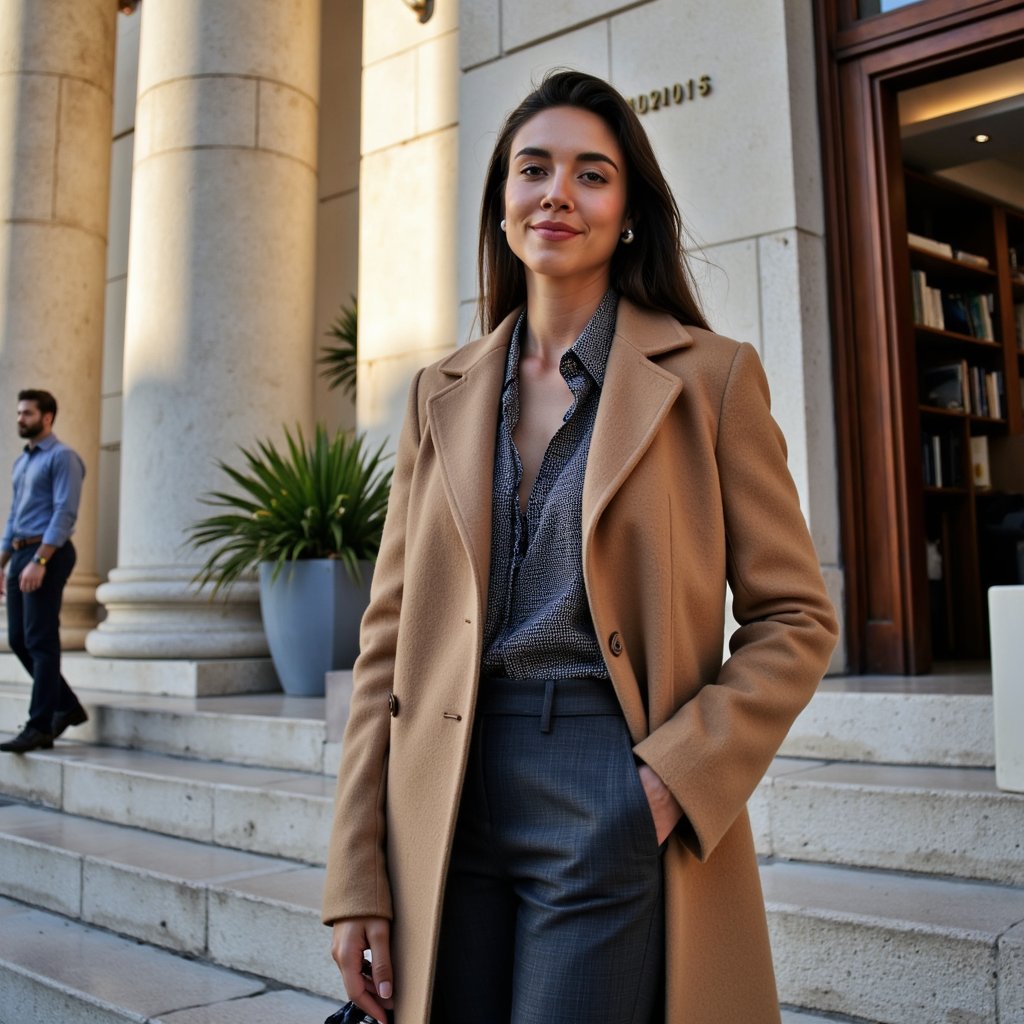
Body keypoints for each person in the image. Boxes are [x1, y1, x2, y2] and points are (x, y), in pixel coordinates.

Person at [322, 70, 838, 1024]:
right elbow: (386, 641)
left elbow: (796, 617)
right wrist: (356, 870)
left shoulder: (710, 380)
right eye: (533, 168)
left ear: (628, 212)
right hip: (440, 793)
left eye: (591, 174)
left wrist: (668, 781)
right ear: (503, 203)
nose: (558, 191)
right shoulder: (439, 392)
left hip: (606, 776)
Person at [0, 389, 88, 754]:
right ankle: (66, 706)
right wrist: (2, 560)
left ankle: (39, 725)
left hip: (46, 552)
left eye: (27, 414)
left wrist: (41, 560)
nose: (20, 419)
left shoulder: (63, 457)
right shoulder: (23, 462)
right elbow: (14, 515)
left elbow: (64, 513)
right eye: (19, 413)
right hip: (21, 551)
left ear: (47, 417)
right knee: (19, 639)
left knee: (40, 639)